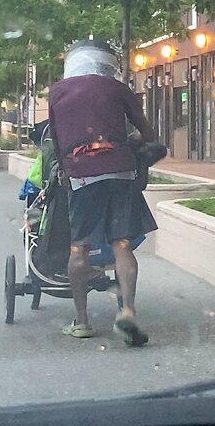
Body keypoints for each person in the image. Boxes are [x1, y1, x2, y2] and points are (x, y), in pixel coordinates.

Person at [46, 39, 159, 346]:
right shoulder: (118, 88)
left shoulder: (57, 91)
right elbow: (147, 134)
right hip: (121, 172)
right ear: (109, 63)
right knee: (122, 247)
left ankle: (82, 322)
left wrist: (67, 167)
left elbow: (56, 142)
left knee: (79, 249)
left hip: (82, 175)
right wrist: (128, 142)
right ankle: (128, 315)